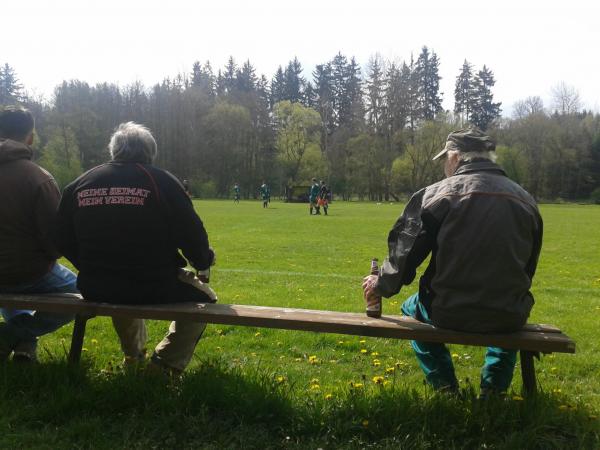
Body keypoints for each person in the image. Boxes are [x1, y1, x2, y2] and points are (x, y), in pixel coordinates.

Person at [362, 128, 543, 397]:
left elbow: (404, 256)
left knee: (411, 307)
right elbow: (528, 267)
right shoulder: (526, 200)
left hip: (447, 310)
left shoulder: (436, 195)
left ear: (455, 157)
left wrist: (380, 285)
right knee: (507, 313)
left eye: (445, 159)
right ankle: (493, 389)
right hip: (508, 312)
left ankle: (445, 387)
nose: (445, 166)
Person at [56, 122, 217, 375]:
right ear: (150, 152)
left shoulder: (82, 182)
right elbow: (191, 231)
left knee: (120, 294)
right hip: (154, 282)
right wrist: (202, 260)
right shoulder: (160, 180)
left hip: (95, 285)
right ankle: (164, 364)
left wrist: (90, 265)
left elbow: (61, 237)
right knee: (207, 301)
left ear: (114, 151)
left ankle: (133, 357)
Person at [0, 106, 77, 362]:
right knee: (85, 293)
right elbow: (55, 243)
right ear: (30, 137)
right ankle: (14, 334)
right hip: (29, 272)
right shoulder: (38, 178)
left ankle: (24, 347)